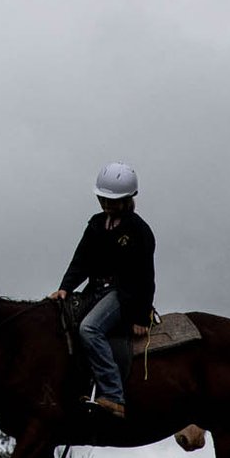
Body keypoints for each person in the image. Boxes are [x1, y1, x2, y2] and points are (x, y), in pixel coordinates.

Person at [49, 163, 155, 419]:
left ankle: (113, 396)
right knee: (64, 325)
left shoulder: (139, 231)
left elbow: (145, 276)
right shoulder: (96, 224)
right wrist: (65, 288)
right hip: (94, 290)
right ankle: (78, 391)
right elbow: (81, 260)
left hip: (123, 294)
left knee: (90, 329)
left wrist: (140, 316)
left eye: (113, 200)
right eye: (104, 199)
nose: (107, 204)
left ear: (128, 199)